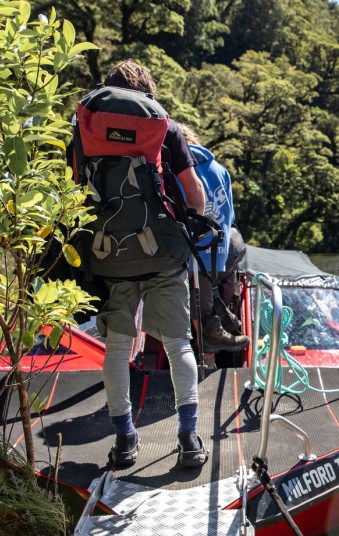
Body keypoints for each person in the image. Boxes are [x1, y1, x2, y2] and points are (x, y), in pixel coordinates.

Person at [73, 59, 208, 469]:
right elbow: (193, 191)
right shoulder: (162, 126)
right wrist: (191, 232)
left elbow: (73, 189)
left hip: (106, 255)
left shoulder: (85, 127)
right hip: (163, 255)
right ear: (147, 90)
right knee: (177, 344)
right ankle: (188, 439)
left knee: (116, 348)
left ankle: (126, 441)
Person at [177, 124, 250, 356]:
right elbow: (230, 218)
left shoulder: (174, 168)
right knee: (210, 280)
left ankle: (205, 342)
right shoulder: (219, 169)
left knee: (193, 282)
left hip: (188, 253)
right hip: (222, 251)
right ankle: (220, 322)